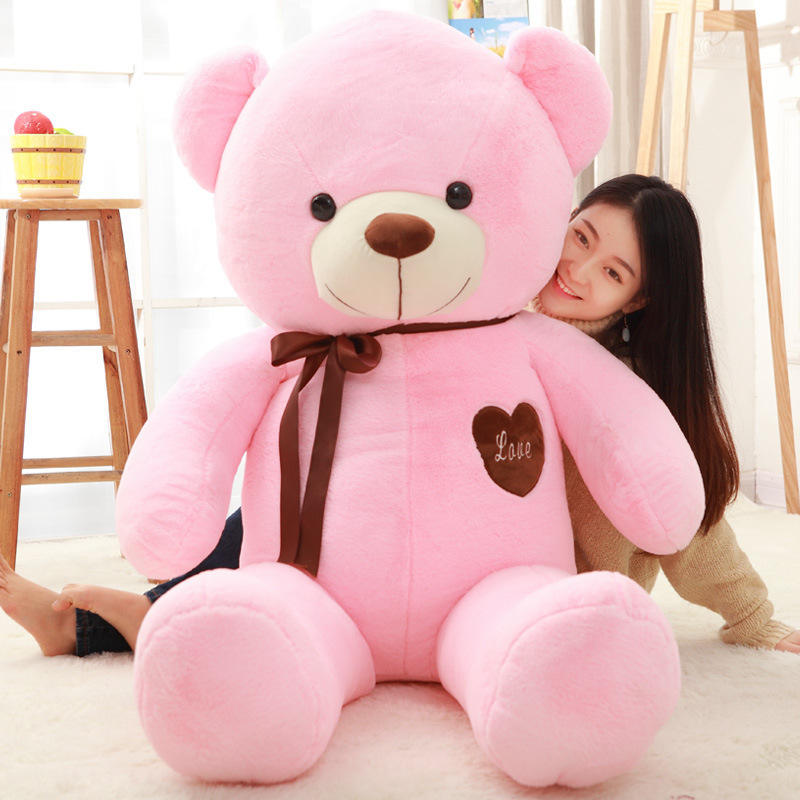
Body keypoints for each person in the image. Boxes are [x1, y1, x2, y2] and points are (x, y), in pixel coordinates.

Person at [1, 174, 797, 657]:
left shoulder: (616, 390)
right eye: (579, 236)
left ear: (642, 299)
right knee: (305, 488)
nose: (576, 269)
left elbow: (689, 519)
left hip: (528, 589)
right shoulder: (483, 308)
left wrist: (753, 616)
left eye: (612, 271)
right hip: (422, 530)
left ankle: (131, 621)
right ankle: (150, 609)